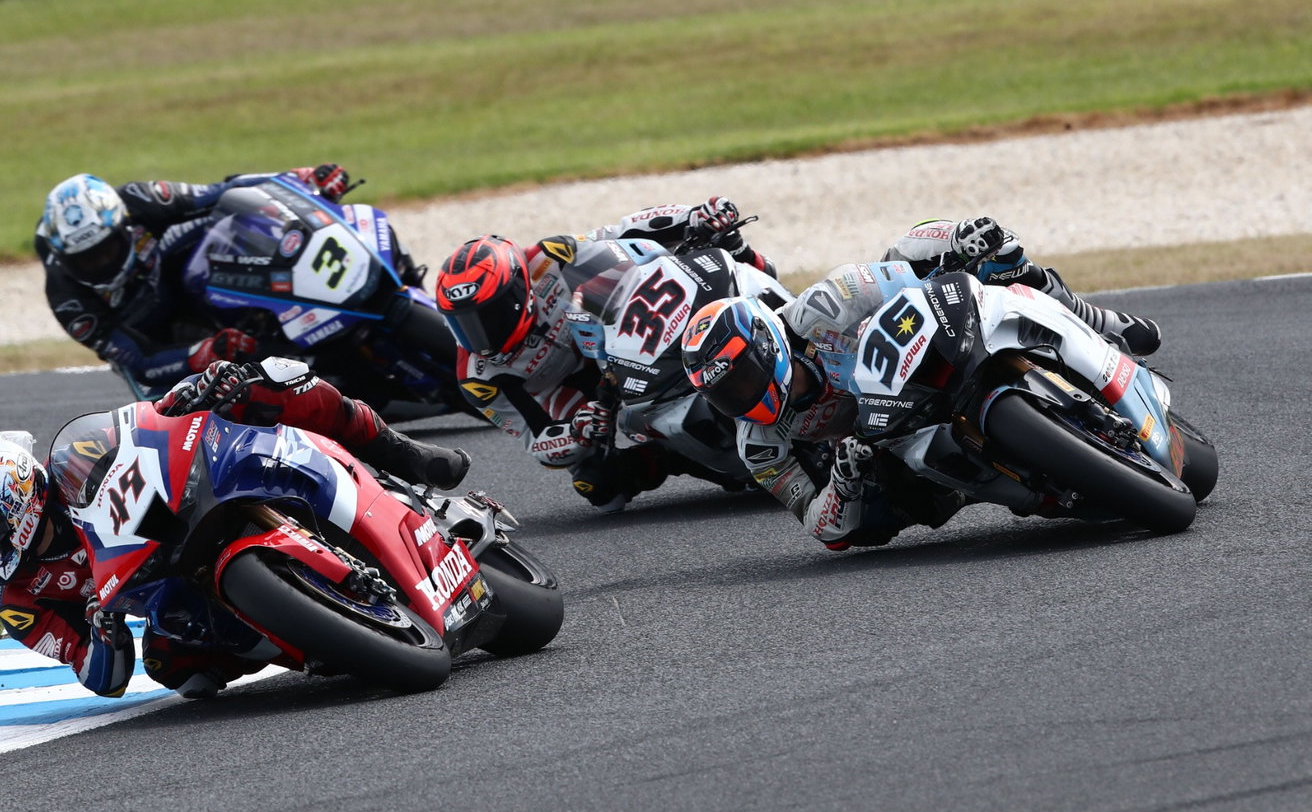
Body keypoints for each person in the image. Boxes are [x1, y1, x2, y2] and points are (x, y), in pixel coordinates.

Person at [0, 358, 469, 700]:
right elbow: (101, 679)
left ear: (17, 496)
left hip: (184, 509)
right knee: (176, 668)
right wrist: (103, 630)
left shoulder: (76, 462)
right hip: (168, 584)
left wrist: (190, 393)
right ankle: (326, 640)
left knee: (273, 382)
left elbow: (142, 424)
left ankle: (405, 454)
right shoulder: (19, 601)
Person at [680, 216, 1161, 551]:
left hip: (924, 354)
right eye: (724, 394)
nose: (739, 398)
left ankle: (1098, 320)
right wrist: (845, 483)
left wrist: (959, 251)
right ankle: (1027, 487)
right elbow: (819, 524)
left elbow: (910, 275)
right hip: (887, 441)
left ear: (766, 344)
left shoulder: (826, 304)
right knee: (869, 527)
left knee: (944, 247)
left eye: (741, 379)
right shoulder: (759, 445)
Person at [435, 197, 777, 513]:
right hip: (577, 392)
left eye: (487, 317)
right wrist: (577, 431)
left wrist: (692, 216)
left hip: (619, 332)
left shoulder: (551, 257)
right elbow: (537, 439)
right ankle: (676, 457)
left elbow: (625, 230)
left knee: (718, 253)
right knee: (599, 486)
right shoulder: (479, 378)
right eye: (463, 323)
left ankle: (762, 283)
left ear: (518, 291)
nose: (478, 334)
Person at [34, 165, 355, 397]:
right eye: (86, 261)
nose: (101, 264)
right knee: (164, 403)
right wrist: (202, 353)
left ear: (123, 225)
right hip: (156, 340)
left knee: (227, 226)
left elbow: (222, 192)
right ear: (64, 259)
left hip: (169, 276)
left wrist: (303, 179)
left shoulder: (139, 199)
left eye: (106, 250)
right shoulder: (69, 302)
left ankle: (293, 303)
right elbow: (141, 361)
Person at [883, 217, 1161, 356]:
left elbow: (968, 230)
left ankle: (1095, 321)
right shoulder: (874, 323)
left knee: (1006, 258)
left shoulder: (912, 250)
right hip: (935, 353)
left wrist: (964, 245)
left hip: (980, 303)